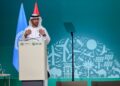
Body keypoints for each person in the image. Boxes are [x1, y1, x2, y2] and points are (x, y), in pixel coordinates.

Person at [22, 3, 50, 86]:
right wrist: (25, 35)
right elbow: (21, 43)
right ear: (31, 20)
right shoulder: (27, 29)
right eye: (35, 19)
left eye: (38, 19)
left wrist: (44, 35)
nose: (36, 21)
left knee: (43, 77)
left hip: (41, 58)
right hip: (30, 59)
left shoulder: (43, 29)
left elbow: (48, 41)